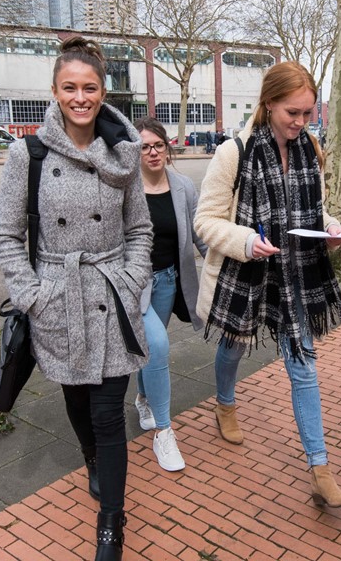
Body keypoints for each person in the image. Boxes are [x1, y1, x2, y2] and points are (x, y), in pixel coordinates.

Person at [0, 37, 151, 561]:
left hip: (111, 294)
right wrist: (32, 294)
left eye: (90, 87)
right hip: (57, 298)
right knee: (77, 401)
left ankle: (111, 525)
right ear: (55, 91)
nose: (80, 97)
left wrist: (131, 281)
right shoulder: (28, 154)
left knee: (109, 413)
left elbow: (140, 229)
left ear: (104, 91)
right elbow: (7, 235)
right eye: (70, 88)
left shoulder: (124, 152)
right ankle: (90, 459)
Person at [194, 61, 341, 508]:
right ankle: (225, 402)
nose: (302, 123)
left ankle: (320, 469)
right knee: (233, 347)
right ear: (269, 104)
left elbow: (312, 213)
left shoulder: (310, 150)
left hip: (294, 276)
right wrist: (246, 241)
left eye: (308, 114)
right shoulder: (234, 153)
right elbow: (204, 221)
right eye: (293, 113)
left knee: (303, 366)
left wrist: (333, 227)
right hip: (245, 275)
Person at [131, 116, 208, 472]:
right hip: (135, 286)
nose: (152, 153)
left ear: (168, 148)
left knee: (148, 348)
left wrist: (228, 260)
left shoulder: (182, 186)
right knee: (158, 346)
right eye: (144, 147)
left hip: (168, 281)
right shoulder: (125, 189)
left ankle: (143, 398)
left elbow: (199, 235)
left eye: (158, 145)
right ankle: (164, 433)